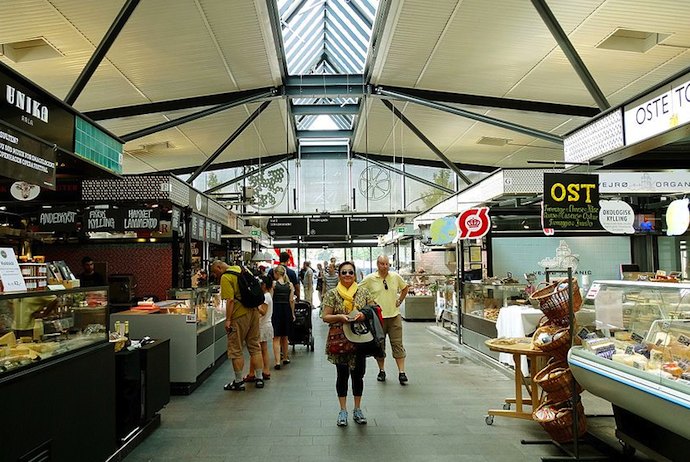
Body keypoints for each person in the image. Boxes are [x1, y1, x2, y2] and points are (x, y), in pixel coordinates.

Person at [322, 261, 376, 427]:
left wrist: (363, 314)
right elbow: (325, 316)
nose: (347, 275)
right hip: (340, 340)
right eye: (344, 272)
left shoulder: (363, 292)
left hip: (359, 339)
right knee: (342, 374)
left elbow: (374, 309)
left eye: (350, 272)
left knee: (358, 375)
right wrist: (340, 317)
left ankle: (357, 409)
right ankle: (343, 410)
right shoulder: (332, 294)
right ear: (339, 275)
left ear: (355, 275)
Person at [210, 260, 265, 390]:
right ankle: (259, 378)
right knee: (255, 346)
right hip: (253, 312)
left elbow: (230, 300)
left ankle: (239, 381)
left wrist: (228, 319)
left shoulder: (226, 276)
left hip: (239, 315)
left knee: (236, 348)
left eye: (215, 271)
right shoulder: (243, 269)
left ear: (219, 267)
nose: (215, 275)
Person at [359, 255, 410, 385]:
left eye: (387, 264)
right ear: (377, 264)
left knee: (397, 344)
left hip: (394, 317)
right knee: (379, 345)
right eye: (382, 264)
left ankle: (402, 372)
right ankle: (381, 370)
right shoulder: (370, 279)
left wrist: (400, 300)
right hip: (378, 319)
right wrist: (367, 306)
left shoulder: (395, 277)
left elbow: (405, 288)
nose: (385, 266)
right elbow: (359, 291)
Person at [245, 276, 274, 383]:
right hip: (265, 325)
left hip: (262, 325)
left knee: (255, 350)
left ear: (264, 285)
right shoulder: (268, 296)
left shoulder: (265, 297)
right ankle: (265, 370)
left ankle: (253, 372)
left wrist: (255, 305)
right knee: (263, 349)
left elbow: (263, 311)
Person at [271, 265, 295, 370]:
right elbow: (291, 301)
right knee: (285, 336)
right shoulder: (290, 285)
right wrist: (293, 313)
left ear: (276, 273)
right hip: (286, 310)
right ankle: (285, 358)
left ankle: (277, 361)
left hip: (276, 310)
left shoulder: (274, 284)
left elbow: (271, 299)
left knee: (276, 337)